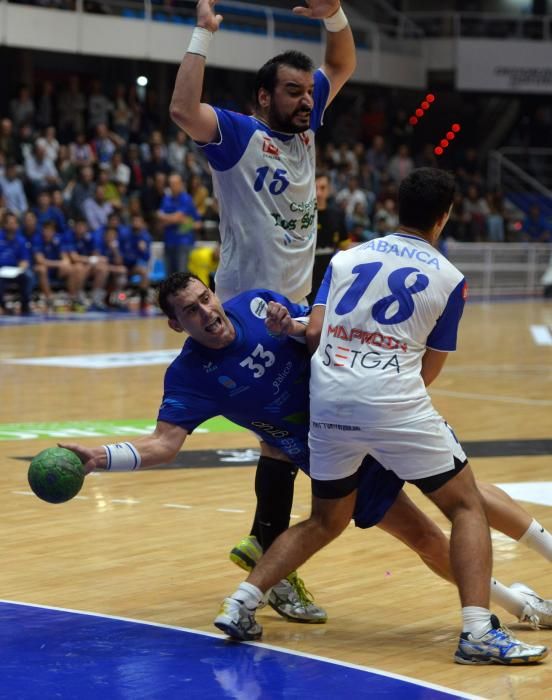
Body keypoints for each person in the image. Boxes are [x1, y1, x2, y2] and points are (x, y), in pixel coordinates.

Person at [59, 273, 552, 634]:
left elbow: (323, 330)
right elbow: (165, 444)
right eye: (190, 311)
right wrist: (99, 458)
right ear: (175, 324)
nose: (206, 312)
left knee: (467, 496)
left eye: (205, 298)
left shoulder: (256, 305)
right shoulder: (189, 376)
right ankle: (517, 604)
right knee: (422, 535)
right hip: (329, 452)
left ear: (215, 293)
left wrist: (293, 324)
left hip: (367, 414)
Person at [215, 169, 549, 666]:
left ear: (395, 207)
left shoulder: (346, 258)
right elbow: (429, 369)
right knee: (464, 507)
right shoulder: (451, 278)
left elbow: (315, 333)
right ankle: (478, 631)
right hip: (392, 399)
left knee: (326, 519)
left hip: (326, 404)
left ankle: (240, 603)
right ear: (445, 216)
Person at [169, 0, 356, 601]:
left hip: (292, 308)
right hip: (249, 313)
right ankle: (273, 563)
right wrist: (203, 32)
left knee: (285, 436)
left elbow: (343, 62)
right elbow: (180, 109)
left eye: (309, 92)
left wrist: (333, 13)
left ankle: (265, 546)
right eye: (292, 92)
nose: (306, 100)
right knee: (300, 433)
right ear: (262, 99)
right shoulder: (241, 137)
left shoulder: (305, 132)